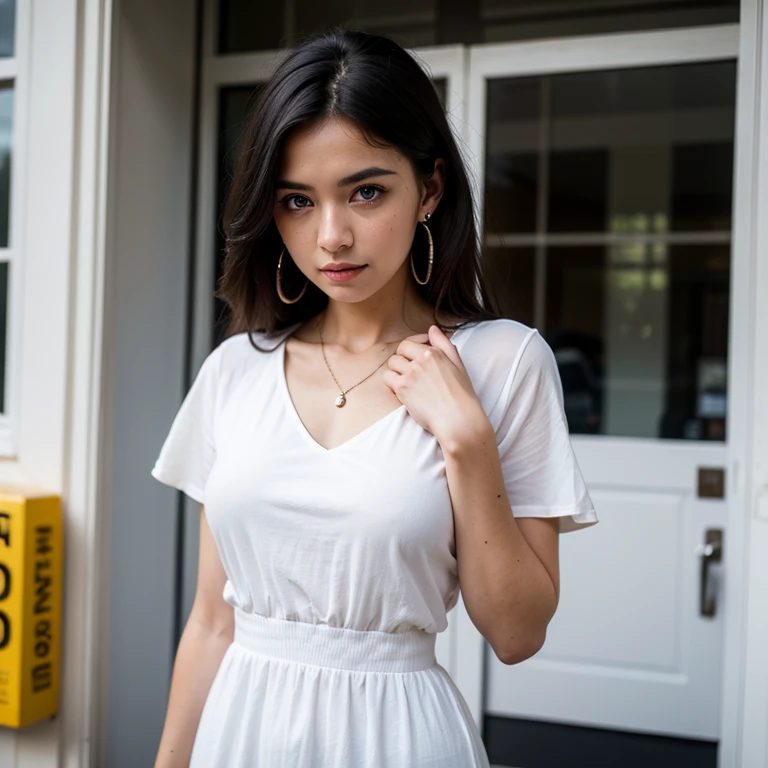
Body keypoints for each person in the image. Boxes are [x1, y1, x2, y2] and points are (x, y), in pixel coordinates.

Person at [150, 28, 598, 768]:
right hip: (240, 733)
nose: (331, 236)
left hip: (398, 738)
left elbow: (518, 636)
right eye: (297, 200)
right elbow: (210, 623)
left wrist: (467, 439)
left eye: (365, 191)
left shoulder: (504, 362)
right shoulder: (236, 370)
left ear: (430, 188)